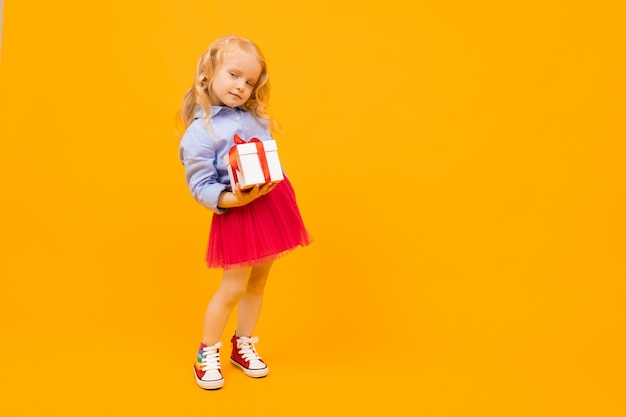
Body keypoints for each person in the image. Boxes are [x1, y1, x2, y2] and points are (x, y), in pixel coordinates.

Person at [178, 35, 312, 390]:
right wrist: (236, 201)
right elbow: (201, 187)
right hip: (238, 213)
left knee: (259, 281)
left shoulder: (256, 118)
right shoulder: (200, 132)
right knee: (233, 287)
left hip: (270, 204)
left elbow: (264, 158)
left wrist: (271, 182)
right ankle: (207, 351)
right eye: (234, 75)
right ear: (208, 73)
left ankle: (243, 344)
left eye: (250, 82)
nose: (242, 86)